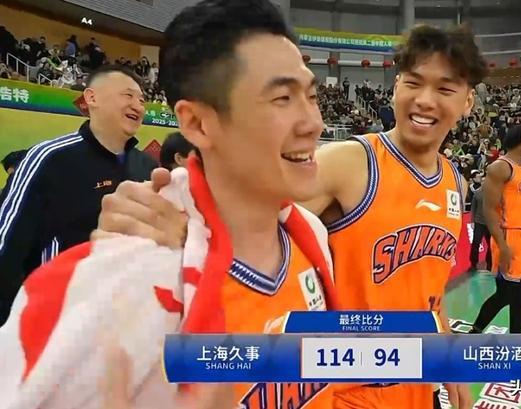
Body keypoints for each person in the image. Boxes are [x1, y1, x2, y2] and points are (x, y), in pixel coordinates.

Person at [94, 23, 486, 409]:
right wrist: (172, 219)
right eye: (413, 83)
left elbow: (430, 293)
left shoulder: (455, 181)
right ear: (396, 86)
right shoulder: (350, 162)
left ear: (468, 102)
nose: (424, 100)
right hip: (344, 390)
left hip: (415, 382)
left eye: (445, 89)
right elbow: (242, 219)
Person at [0, 1, 336, 408]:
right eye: (282, 98)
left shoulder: (311, 236)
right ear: (196, 123)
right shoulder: (124, 287)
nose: (314, 123)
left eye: (312, 96)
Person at [0, 65, 156, 326]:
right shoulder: (50, 159)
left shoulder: (147, 167)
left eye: (142, 100)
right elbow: (7, 245)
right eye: (128, 96)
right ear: (91, 98)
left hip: (123, 324)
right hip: (56, 322)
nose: (138, 106)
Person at [469, 125, 521, 335]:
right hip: (509, 234)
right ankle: (475, 332)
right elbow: (489, 209)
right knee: (505, 294)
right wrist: (502, 245)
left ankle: (515, 340)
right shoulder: (500, 167)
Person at [469, 174, 492, 272]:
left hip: (491, 224)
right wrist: (472, 221)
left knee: (492, 245)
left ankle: (489, 264)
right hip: (479, 223)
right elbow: (473, 208)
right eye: (483, 181)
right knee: (475, 244)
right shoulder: (477, 194)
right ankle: (473, 264)